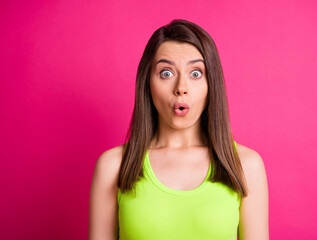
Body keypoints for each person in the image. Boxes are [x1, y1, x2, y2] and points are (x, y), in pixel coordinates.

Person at [89, 19, 269, 240]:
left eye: (196, 73)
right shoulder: (113, 166)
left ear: (211, 84)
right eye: (166, 73)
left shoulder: (246, 165)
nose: (181, 88)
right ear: (147, 82)